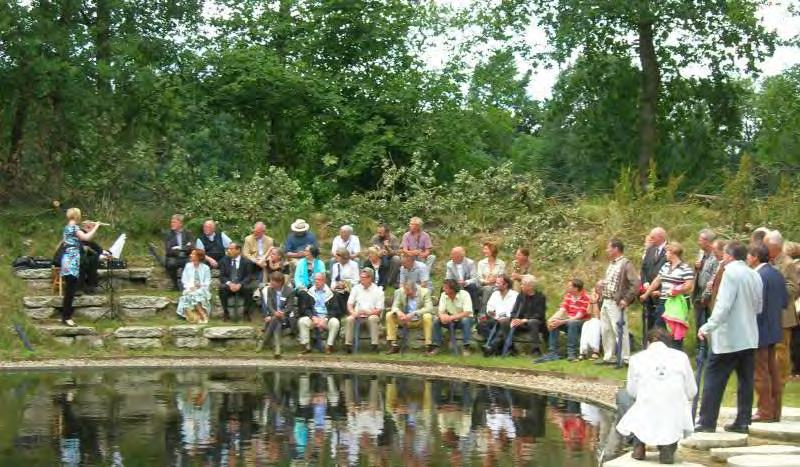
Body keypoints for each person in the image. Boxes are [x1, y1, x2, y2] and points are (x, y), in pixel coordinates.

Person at [696, 241, 763, 434]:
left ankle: (707, 421)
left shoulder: (730, 273)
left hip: (729, 337)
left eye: (724, 254)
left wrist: (708, 326)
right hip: (749, 335)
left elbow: (723, 305)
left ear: (730, 256)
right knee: (746, 381)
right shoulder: (754, 274)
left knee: (714, 378)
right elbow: (759, 306)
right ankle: (743, 420)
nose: (722, 258)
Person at [616, 329, 697, 464]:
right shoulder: (681, 357)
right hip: (673, 413)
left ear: (648, 343)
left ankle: (638, 444)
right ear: (668, 343)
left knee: (623, 395)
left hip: (647, 410)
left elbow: (632, 391)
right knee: (675, 402)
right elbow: (692, 391)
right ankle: (668, 447)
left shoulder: (637, 358)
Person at [750, 243, 788, 422]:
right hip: (775, 326)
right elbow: (784, 302)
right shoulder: (776, 273)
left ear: (756, 256)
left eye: (749, 255)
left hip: (760, 328)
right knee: (773, 370)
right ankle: (775, 410)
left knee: (760, 371)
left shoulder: (758, 276)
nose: (747, 259)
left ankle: (764, 411)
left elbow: (755, 305)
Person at [764, 230, 799, 420]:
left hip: (783, 315)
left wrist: (774, 292)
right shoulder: (768, 261)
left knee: (781, 352)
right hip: (768, 315)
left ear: (775, 246)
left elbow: (794, 288)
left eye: (767, 245)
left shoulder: (787, 263)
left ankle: (781, 381)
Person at [639, 242, 694, 349]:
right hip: (663, 301)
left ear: (673, 253)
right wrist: (646, 294)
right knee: (659, 328)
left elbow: (689, 286)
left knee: (674, 330)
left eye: (667, 252)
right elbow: (657, 281)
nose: (665, 254)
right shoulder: (666, 266)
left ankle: (676, 353)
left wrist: (676, 291)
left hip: (677, 304)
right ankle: (660, 352)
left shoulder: (685, 268)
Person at [599, 238, 640, 365]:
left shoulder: (625, 264)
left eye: (609, 247)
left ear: (616, 249)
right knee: (606, 330)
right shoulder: (612, 264)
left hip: (616, 302)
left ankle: (625, 358)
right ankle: (609, 356)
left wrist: (626, 299)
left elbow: (635, 283)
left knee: (619, 330)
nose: (607, 250)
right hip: (606, 300)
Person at [59, 208, 101, 327]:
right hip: (71, 260)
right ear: (77, 216)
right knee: (70, 290)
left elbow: (82, 237)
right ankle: (66, 317)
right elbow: (86, 238)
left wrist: (89, 229)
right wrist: (96, 227)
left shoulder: (67, 227)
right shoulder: (74, 228)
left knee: (70, 288)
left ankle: (66, 316)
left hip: (68, 258)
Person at [542, 279, 591, 362]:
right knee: (554, 322)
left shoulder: (586, 298)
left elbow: (578, 316)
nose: (567, 287)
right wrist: (551, 319)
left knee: (572, 323)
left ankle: (571, 353)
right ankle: (552, 352)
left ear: (575, 288)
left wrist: (561, 321)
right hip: (569, 320)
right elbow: (562, 310)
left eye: (569, 286)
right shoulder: (568, 296)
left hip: (582, 322)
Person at [385, 282, 434, 354]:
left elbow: (429, 308)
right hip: (405, 319)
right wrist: (399, 312)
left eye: (409, 293)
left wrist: (414, 313)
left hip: (419, 320)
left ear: (415, 290)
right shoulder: (401, 292)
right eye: (406, 293)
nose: (407, 294)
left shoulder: (425, 292)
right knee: (389, 314)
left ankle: (428, 345)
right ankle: (393, 344)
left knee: (427, 316)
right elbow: (394, 306)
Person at [297, 273, 340, 354]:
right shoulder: (309, 292)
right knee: (302, 321)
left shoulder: (332, 293)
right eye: (315, 280)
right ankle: (306, 346)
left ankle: (329, 346)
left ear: (324, 281)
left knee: (335, 322)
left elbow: (335, 310)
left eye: (319, 280)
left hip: (326, 319)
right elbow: (306, 308)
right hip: (314, 318)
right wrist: (313, 317)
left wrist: (325, 319)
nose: (316, 282)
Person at [430, 279, 474, 356]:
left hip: (463, 319)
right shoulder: (444, 295)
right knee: (436, 320)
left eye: (446, 288)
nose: (443, 289)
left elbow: (467, 312)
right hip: (451, 320)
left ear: (452, 289)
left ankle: (466, 347)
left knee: (465, 320)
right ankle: (436, 346)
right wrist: (442, 317)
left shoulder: (465, 294)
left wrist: (451, 317)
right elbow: (440, 311)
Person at [344, 269, 384, 353]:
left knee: (373, 318)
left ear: (370, 278)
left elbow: (379, 309)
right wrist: (353, 313)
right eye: (360, 277)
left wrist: (369, 312)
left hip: (371, 315)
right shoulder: (356, 288)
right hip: (358, 315)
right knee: (349, 319)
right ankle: (348, 345)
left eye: (364, 277)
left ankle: (374, 345)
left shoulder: (378, 290)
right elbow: (349, 304)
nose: (361, 279)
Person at [257, 271, 295, 357]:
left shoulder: (289, 291)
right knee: (276, 320)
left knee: (275, 319)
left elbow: (290, 307)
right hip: (275, 317)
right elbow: (269, 305)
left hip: (286, 317)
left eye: (272, 281)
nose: (270, 283)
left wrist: (282, 313)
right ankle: (277, 349)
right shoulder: (270, 289)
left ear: (279, 282)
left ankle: (263, 342)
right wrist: (274, 313)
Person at [508, 274, 547, 356]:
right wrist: (514, 319)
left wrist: (525, 320)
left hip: (536, 324)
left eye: (522, 285)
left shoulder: (540, 297)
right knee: (504, 321)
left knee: (533, 322)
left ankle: (535, 349)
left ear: (530, 286)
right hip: (521, 323)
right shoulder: (520, 296)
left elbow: (539, 314)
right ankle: (510, 348)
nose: (521, 286)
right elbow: (514, 310)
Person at [476, 275, 518, 350]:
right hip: (495, 318)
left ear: (506, 285)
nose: (496, 285)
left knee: (502, 327)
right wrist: (490, 312)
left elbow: (515, 311)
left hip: (508, 320)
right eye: (496, 283)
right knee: (480, 325)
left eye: (498, 283)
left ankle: (491, 347)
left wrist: (504, 317)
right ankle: (496, 345)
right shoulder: (495, 294)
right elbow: (489, 308)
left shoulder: (515, 295)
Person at [218, 243, 257, 322]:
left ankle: (246, 312)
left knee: (248, 289)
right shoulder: (224, 261)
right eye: (228, 249)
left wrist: (240, 284)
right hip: (229, 285)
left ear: (238, 250)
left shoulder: (247, 262)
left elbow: (248, 276)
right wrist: (230, 283)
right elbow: (222, 276)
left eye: (231, 249)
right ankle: (226, 312)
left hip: (241, 284)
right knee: (222, 288)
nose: (228, 251)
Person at [640, 227, 667, 331]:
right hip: (648, 293)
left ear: (660, 237)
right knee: (648, 324)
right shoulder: (650, 250)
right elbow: (643, 268)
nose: (650, 239)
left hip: (662, 294)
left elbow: (671, 274)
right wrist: (645, 282)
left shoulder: (669, 251)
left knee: (661, 325)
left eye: (653, 237)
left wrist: (659, 291)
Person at [175, 249, 211, 323]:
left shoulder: (206, 268)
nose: (190, 255)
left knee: (195, 294)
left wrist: (200, 285)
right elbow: (184, 279)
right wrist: (190, 287)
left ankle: (201, 315)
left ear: (199, 257)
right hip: (190, 288)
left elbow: (207, 282)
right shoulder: (188, 266)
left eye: (193, 254)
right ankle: (202, 315)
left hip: (202, 289)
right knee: (191, 294)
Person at [693, 229, 718, 334]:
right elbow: (698, 271)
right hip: (698, 292)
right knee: (698, 323)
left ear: (708, 242)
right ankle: (699, 347)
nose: (698, 242)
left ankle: (705, 348)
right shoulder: (701, 252)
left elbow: (714, 276)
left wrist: (706, 295)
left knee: (707, 323)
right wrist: (696, 267)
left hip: (709, 296)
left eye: (701, 240)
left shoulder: (715, 256)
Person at [444, 247, 479, 314]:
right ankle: (445, 311)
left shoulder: (470, 263)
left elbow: (475, 278)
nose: (451, 256)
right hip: (456, 285)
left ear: (460, 256)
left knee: (472, 286)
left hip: (467, 285)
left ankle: (475, 311)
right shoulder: (449, 264)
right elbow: (448, 278)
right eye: (451, 254)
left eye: (453, 255)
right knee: (444, 288)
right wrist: (453, 284)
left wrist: (466, 282)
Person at [164, 214, 195, 291]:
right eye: (172, 222)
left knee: (190, 263)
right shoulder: (168, 234)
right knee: (170, 263)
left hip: (186, 256)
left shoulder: (188, 233)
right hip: (174, 257)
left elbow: (192, 247)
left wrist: (180, 248)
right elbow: (168, 250)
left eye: (174, 222)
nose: (172, 224)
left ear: (180, 223)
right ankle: (175, 285)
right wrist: (185, 248)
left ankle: (186, 285)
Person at [293, 245, 327, 313]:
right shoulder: (300, 262)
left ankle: (316, 312)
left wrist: (316, 286)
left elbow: (323, 277)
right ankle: (303, 313)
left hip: (316, 286)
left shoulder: (320, 263)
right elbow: (297, 277)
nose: (304, 252)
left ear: (312, 253)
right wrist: (301, 286)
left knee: (314, 293)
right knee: (303, 293)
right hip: (302, 286)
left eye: (306, 251)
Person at [476, 242, 506, 314]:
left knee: (495, 290)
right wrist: (487, 281)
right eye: (484, 249)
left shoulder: (501, 263)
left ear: (492, 250)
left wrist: (495, 279)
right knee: (488, 289)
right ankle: (482, 314)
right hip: (483, 286)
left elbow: (501, 277)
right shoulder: (481, 263)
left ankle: (497, 314)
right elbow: (479, 277)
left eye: (486, 249)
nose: (484, 251)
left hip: (496, 286)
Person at [330, 248, 360, 319]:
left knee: (339, 292)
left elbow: (356, 280)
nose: (336, 258)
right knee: (336, 293)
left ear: (343, 257)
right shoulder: (335, 266)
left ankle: (341, 312)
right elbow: (333, 280)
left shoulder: (354, 265)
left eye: (338, 256)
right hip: (338, 287)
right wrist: (333, 286)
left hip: (351, 286)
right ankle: (340, 312)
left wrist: (344, 284)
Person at [579, 281, 603, 360]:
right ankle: (583, 351)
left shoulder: (605, 299)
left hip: (604, 321)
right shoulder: (594, 298)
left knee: (595, 322)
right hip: (595, 320)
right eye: (597, 287)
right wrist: (591, 300)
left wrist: (595, 301)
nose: (598, 289)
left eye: (600, 287)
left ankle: (595, 351)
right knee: (586, 324)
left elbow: (598, 316)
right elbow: (589, 312)